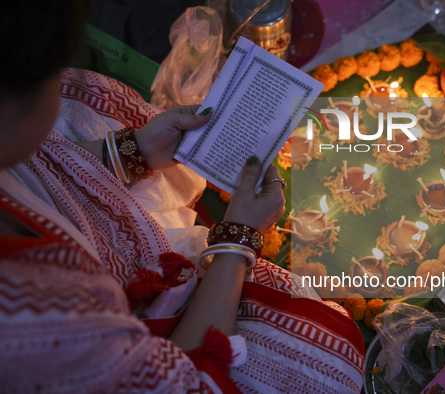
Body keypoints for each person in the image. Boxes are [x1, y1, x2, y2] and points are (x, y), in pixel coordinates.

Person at [0, 2, 365, 392]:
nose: (58, 88)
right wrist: (237, 239)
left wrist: (129, 152)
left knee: (125, 120)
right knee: (332, 364)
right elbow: (189, 381)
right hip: (144, 319)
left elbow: (42, 169)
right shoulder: (31, 323)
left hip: (97, 239)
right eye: (49, 80)